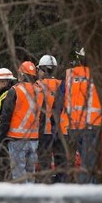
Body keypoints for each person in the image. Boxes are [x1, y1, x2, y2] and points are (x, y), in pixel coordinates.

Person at [53, 48, 102, 184]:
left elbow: (58, 102)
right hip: (92, 126)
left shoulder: (70, 75)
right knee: (89, 165)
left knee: (78, 164)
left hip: (72, 127)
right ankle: (88, 195)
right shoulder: (99, 75)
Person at [0, 61, 43, 183]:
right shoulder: (39, 92)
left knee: (19, 177)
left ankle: (22, 201)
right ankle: (30, 200)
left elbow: (5, 116)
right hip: (33, 140)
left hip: (17, 140)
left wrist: (1, 137)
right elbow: (41, 116)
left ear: (21, 75)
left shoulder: (15, 91)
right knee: (30, 176)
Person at [35, 55, 68, 183]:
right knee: (61, 164)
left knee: (44, 165)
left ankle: (45, 190)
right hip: (62, 130)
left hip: (45, 130)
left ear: (43, 69)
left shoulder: (38, 86)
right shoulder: (62, 84)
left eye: (39, 69)